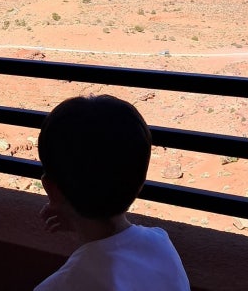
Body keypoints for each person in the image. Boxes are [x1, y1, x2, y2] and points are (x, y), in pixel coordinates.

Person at [35, 94, 190, 290]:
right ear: (140, 182)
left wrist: (75, 214)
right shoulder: (161, 244)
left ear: (51, 189)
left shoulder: (60, 285)